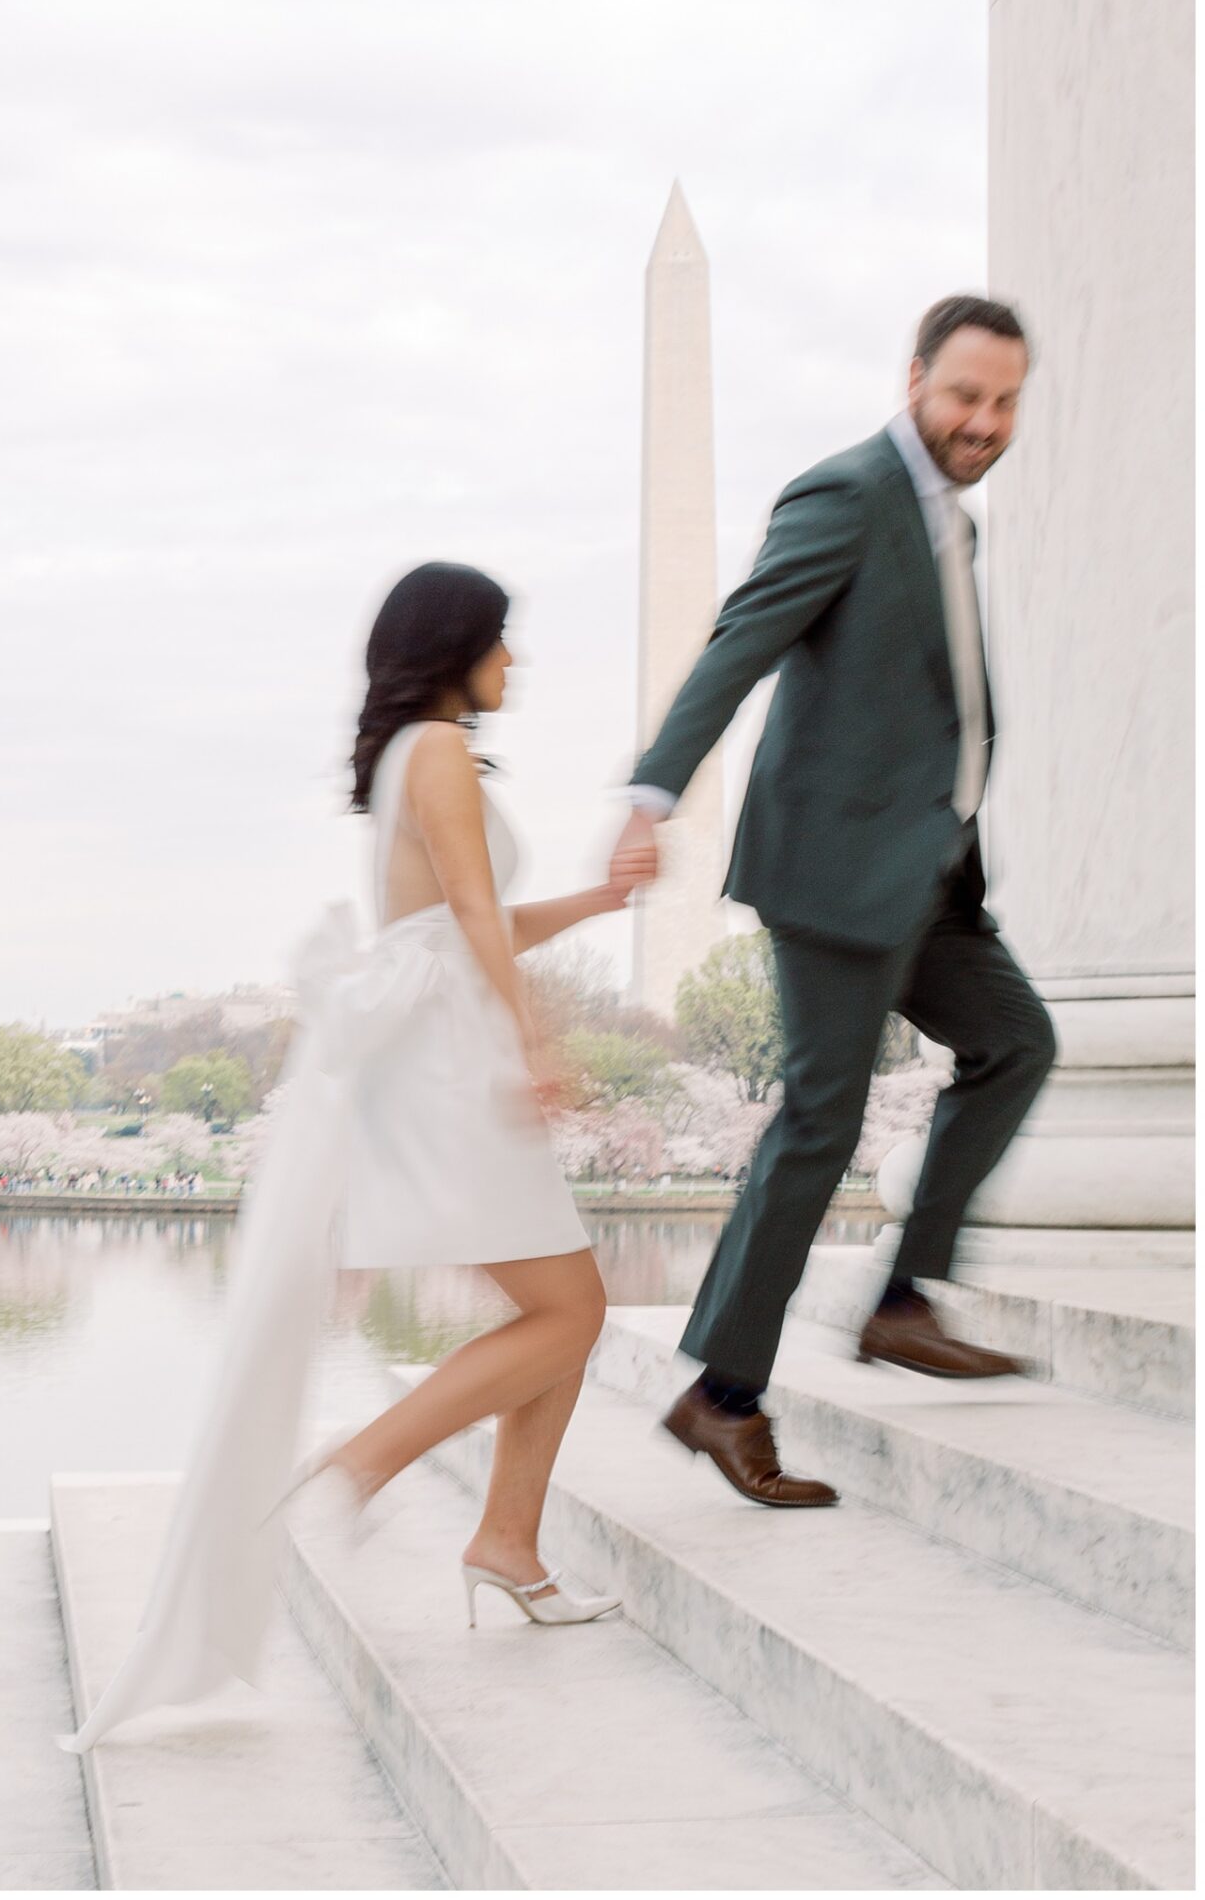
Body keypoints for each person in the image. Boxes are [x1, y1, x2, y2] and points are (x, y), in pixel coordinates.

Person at [61, 561, 640, 1751]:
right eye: (503, 640)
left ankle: (505, 1543)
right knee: (567, 1310)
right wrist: (534, 1042)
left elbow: (458, 914)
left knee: (564, 1308)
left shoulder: (419, 758)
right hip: (456, 1063)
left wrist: (594, 902)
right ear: (457, 646)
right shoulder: (431, 751)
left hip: (442, 1046)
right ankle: (367, 1458)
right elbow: (473, 924)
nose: (515, 661)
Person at [609, 296, 1057, 1508]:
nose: (982, 421)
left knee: (1014, 1043)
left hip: (928, 874)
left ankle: (903, 1300)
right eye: (963, 394)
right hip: (830, 868)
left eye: (1004, 401)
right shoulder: (846, 491)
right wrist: (653, 791)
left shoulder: (948, 520)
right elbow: (739, 640)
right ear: (913, 378)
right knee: (818, 1119)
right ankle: (722, 1397)